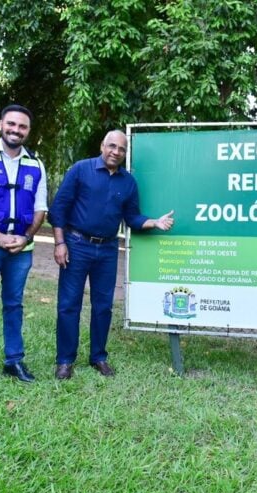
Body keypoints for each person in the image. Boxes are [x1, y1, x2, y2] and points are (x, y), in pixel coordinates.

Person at [48, 130, 174, 379]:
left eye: (122, 149)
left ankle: (98, 357)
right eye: (112, 146)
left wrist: (154, 222)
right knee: (68, 305)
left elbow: (132, 217)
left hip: (107, 249)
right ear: (102, 145)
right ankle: (64, 361)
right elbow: (58, 209)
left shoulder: (128, 182)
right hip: (76, 245)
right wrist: (59, 243)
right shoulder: (81, 170)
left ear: (126, 153)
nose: (116, 152)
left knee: (103, 306)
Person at [0, 104, 48, 382]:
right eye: (11, 124)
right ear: (0, 125)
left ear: (28, 131)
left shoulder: (35, 164)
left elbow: (40, 209)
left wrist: (25, 238)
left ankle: (13, 361)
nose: (16, 130)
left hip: (21, 251)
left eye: (22, 126)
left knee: (14, 304)